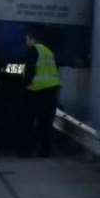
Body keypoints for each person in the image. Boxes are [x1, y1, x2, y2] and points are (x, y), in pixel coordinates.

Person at [16, 29, 61, 158]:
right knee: (46, 122)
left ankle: (25, 151)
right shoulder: (48, 51)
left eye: (27, 40)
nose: (26, 43)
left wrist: (23, 86)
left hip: (36, 91)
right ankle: (45, 150)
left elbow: (28, 70)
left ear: (32, 39)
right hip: (51, 90)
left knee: (26, 121)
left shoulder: (33, 50)